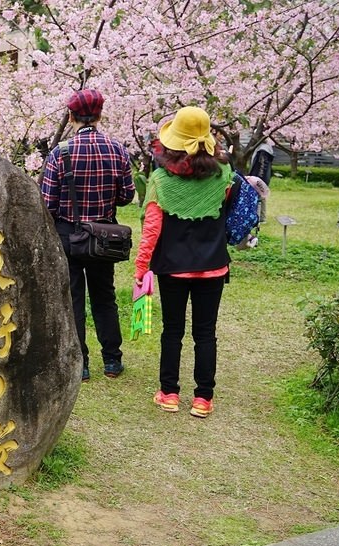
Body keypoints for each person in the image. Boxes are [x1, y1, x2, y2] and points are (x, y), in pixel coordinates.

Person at [134, 106, 235, 418]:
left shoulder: (161, 181)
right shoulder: (225, 177)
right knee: (206, 332)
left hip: (172, 268)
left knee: (172, 331)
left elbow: (151, 230)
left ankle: (169, 393)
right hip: (214, 266)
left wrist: (140, 268)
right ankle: (203, 398)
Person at [41, 88, 135, 382]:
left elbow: (47, 203)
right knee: (104, 297)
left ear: (71, 116)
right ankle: (112, 361)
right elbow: (126, 196)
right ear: (100, 115)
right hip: (105, 235)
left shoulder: (61, 153)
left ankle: (80, 363)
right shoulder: (118, 150)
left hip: (69, 236)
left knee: (73, 299)